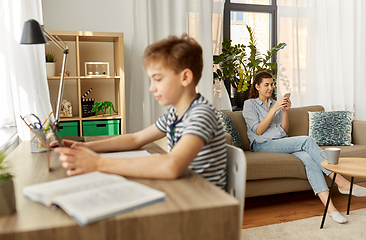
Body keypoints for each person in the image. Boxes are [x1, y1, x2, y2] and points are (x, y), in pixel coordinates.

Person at [53, 34, 227, 189]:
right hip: (183, 190)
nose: (152, 88)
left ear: (185, 77)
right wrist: (86, 147)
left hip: (204, 202)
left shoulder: (201, 115)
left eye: (157, 79)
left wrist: (98, 163)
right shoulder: (175, 114)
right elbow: (136, 139)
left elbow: (172, 166)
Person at [242, 71, 366, 224]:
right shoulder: (249, 104)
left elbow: (284, 130)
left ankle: (331, 209)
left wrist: (285, 111)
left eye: (272, 84)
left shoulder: (275, 103)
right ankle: (340, 181)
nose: (270, 88)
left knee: (309, 159)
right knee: (306, 141)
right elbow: (258, 130)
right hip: (262, 144)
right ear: (257, 86)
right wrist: (274, 110)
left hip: (281, 141)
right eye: (266, 85)